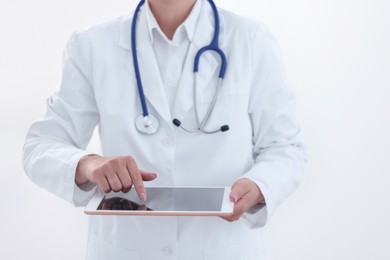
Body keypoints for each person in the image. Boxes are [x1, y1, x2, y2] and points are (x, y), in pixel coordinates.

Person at [22, 0, 307, 259]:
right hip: (127, 249)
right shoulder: (92, 45)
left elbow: (285, 147)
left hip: (223, 248)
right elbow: (40, 146)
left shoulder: (251, 40)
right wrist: (88, 164)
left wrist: (259, 186)